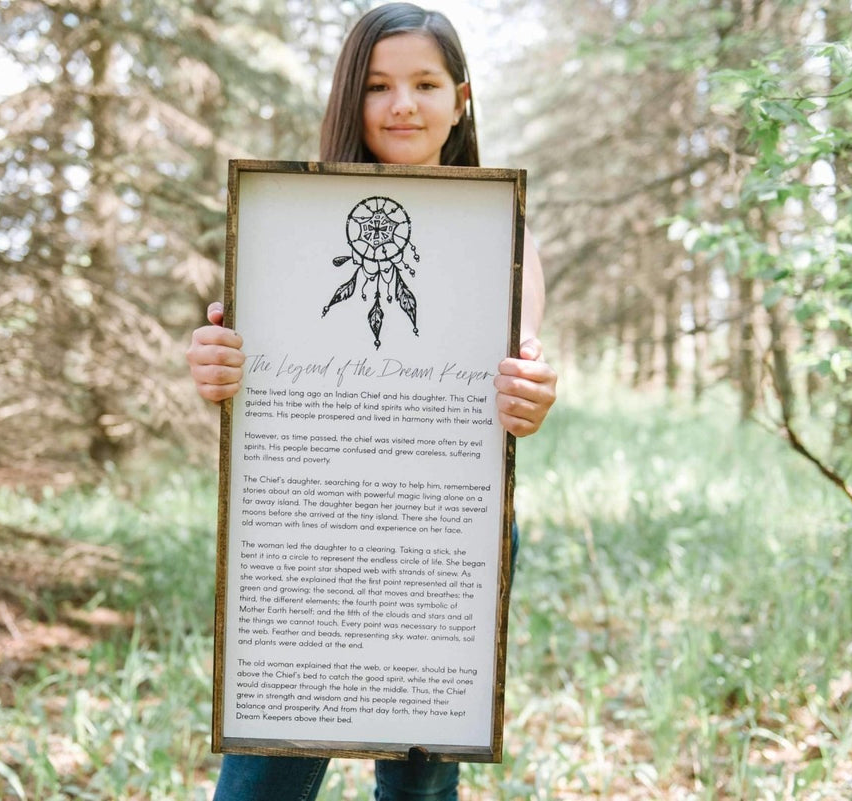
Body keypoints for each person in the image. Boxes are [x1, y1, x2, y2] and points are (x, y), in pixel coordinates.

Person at [186, 4, 558, 799]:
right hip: (304, 540)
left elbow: (518, 361)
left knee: (419, 787)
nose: (402, 105)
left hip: (447, 535)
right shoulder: (282, 221)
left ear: (461, 97)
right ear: (350, 97)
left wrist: (530, 392)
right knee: (262, 780)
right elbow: (248, 369)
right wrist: (216, 363)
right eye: (380, 85)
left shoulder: (507, 233)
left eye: (426, 83)